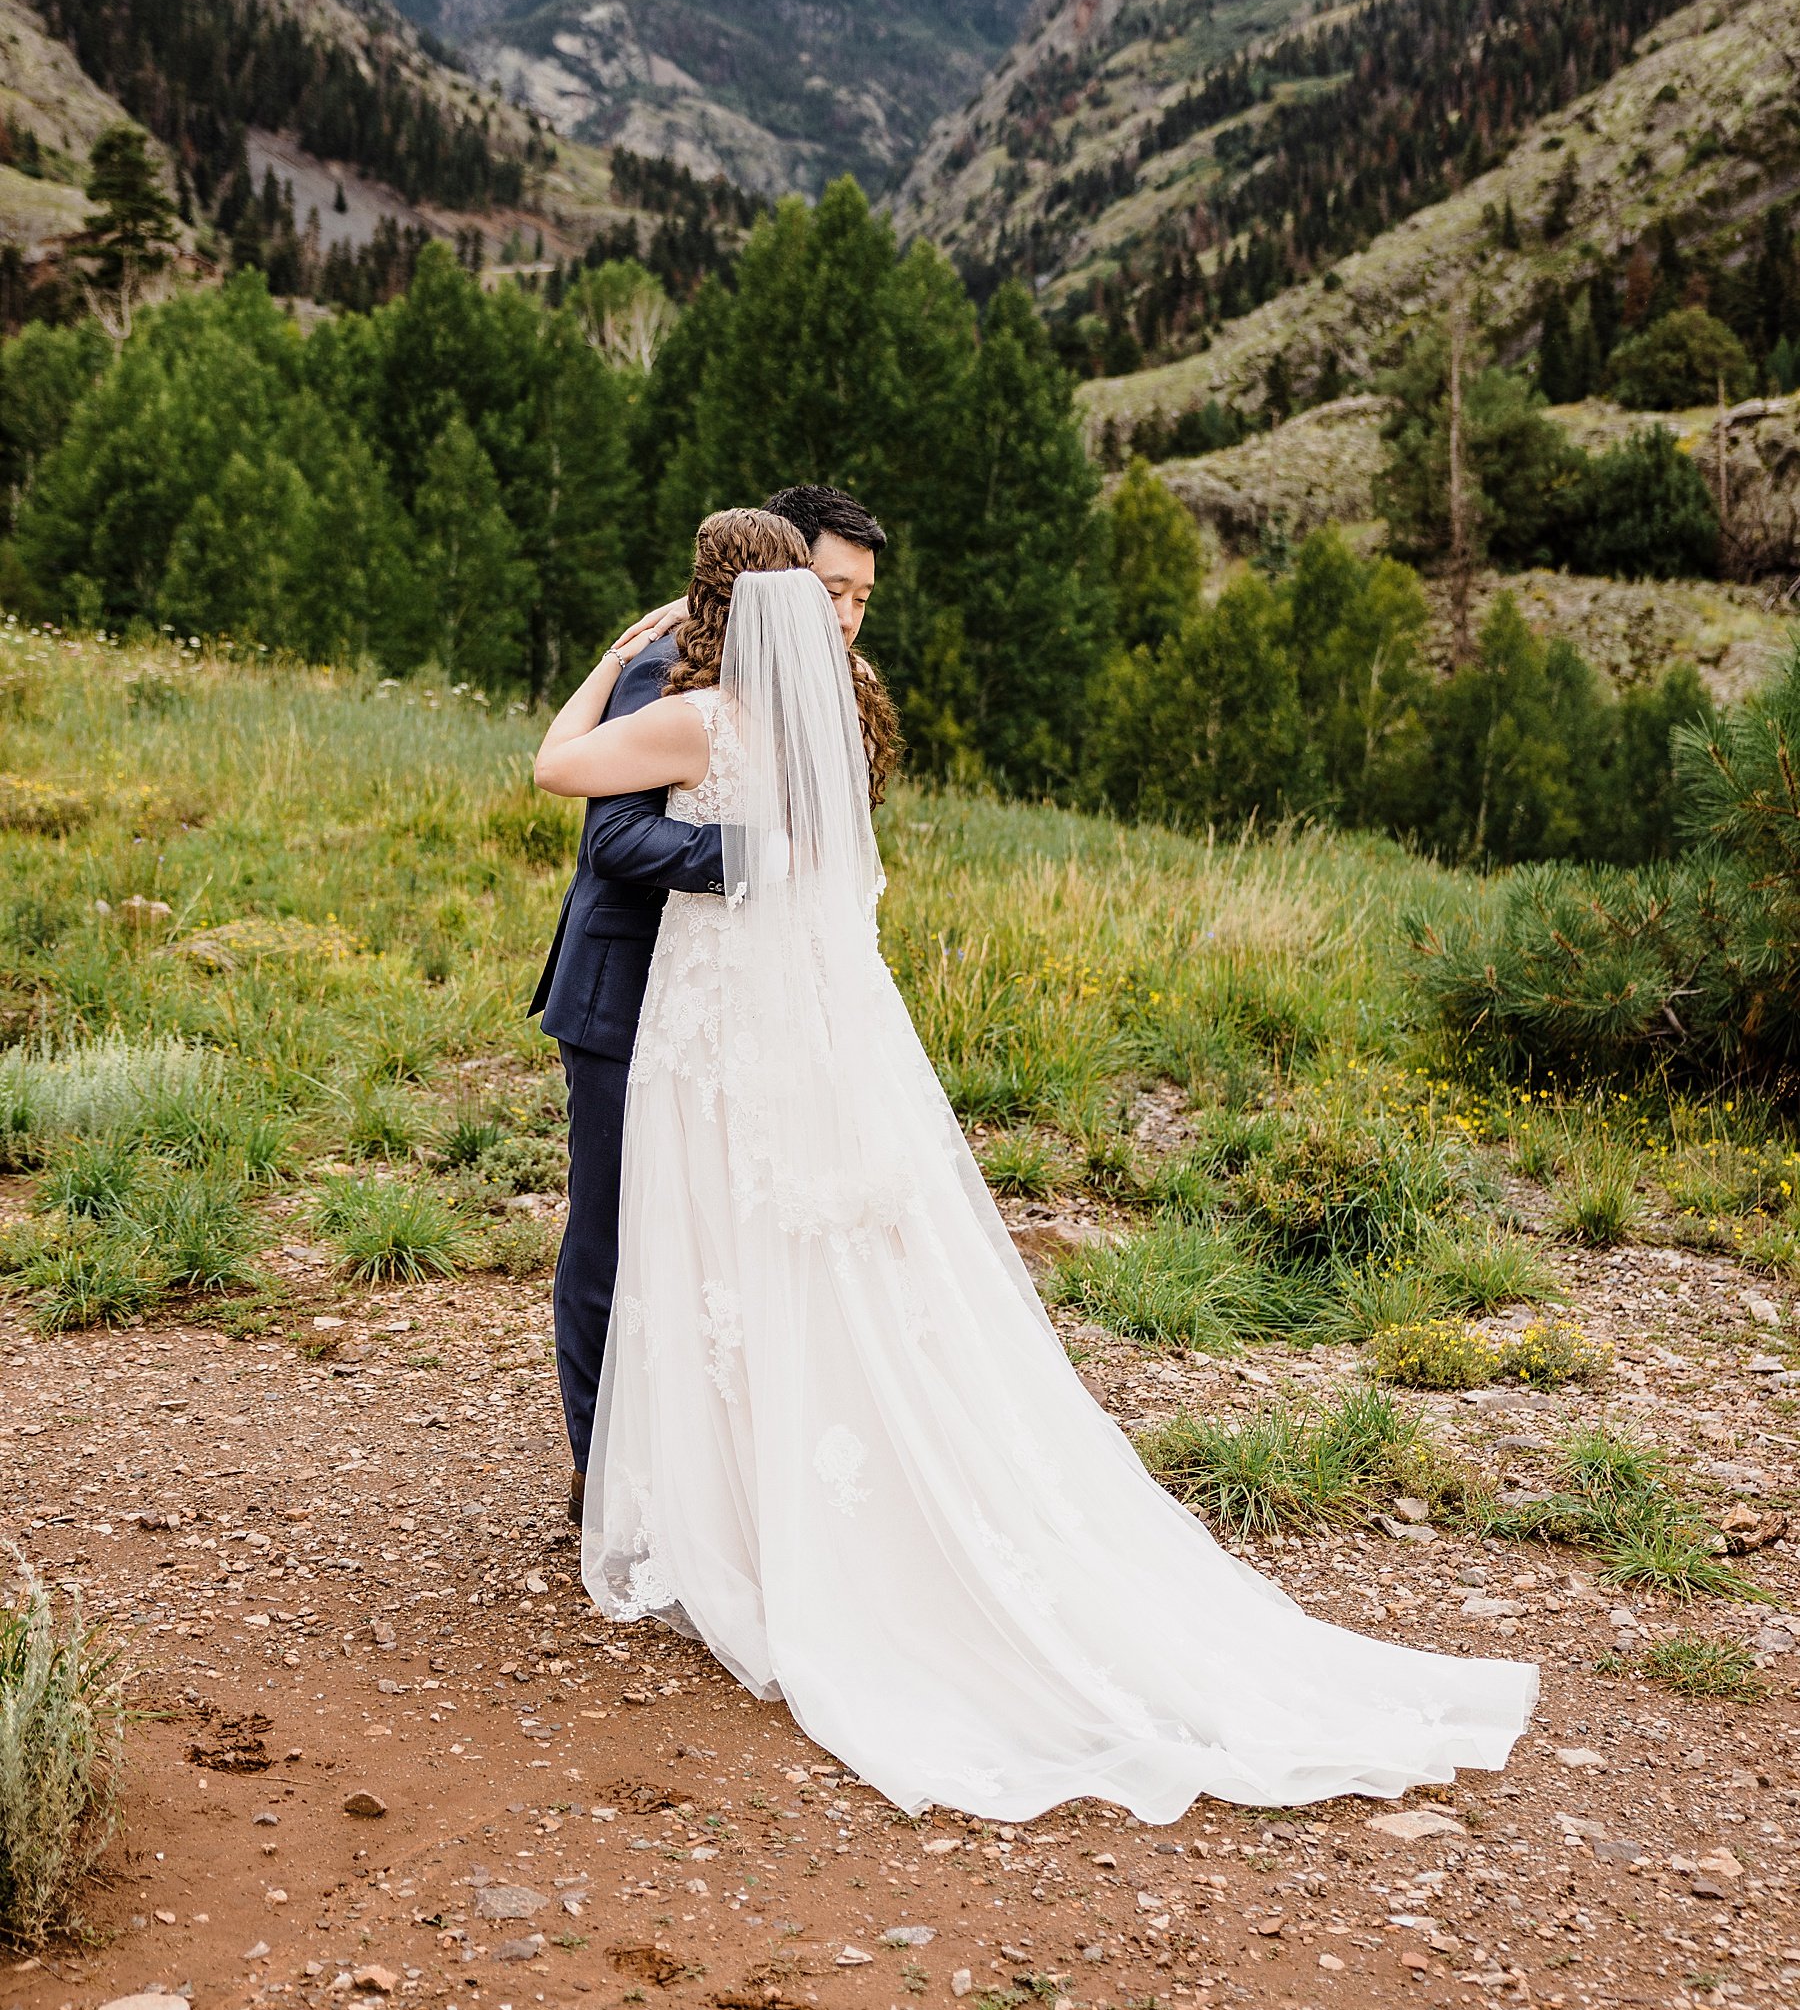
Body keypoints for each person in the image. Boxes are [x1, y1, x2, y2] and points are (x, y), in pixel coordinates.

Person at [533, 510, 1538, 1823]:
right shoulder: (822, 720)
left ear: (702, 599)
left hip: (715, 1020)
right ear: (788, 600)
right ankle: (747, 1488)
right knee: (763, 1253)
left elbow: (558, 768)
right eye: (829, 594)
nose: (848, 616)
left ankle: (706, 1504)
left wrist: (615, 653)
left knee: (685, 1250)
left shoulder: (700, 710)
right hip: (779, 1026)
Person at [529, 485, 894, 1523]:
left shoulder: (821, 687)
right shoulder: (672, 665)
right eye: (832, 590)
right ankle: (603, 1472)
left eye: (859, 598)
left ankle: (708, 1469)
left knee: (721, 1229)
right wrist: (762, 859)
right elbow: (612, 839)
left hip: (740, 1004)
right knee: (608, 1233)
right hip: (628, 987)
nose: (844, 617)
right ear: (773, 580)